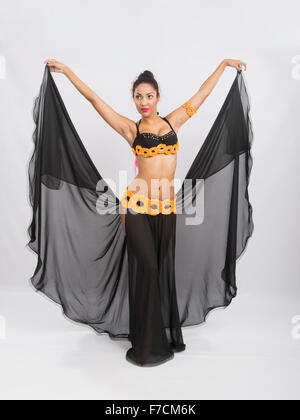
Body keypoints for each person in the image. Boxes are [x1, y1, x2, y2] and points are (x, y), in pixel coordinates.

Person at [27, 59, 253, 367]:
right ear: (134, 100)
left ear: (158, 97)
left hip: (167, 209)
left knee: (159, 270)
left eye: (148, 95)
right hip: (136, 207)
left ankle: (155, 331)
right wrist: (67, 73)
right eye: (138, 96)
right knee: (146, 268)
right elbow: (95, 100)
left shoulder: (174, 121)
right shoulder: (129, 128)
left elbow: (203, 94)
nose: (143, 102)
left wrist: (224, 65)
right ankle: (148, 345)